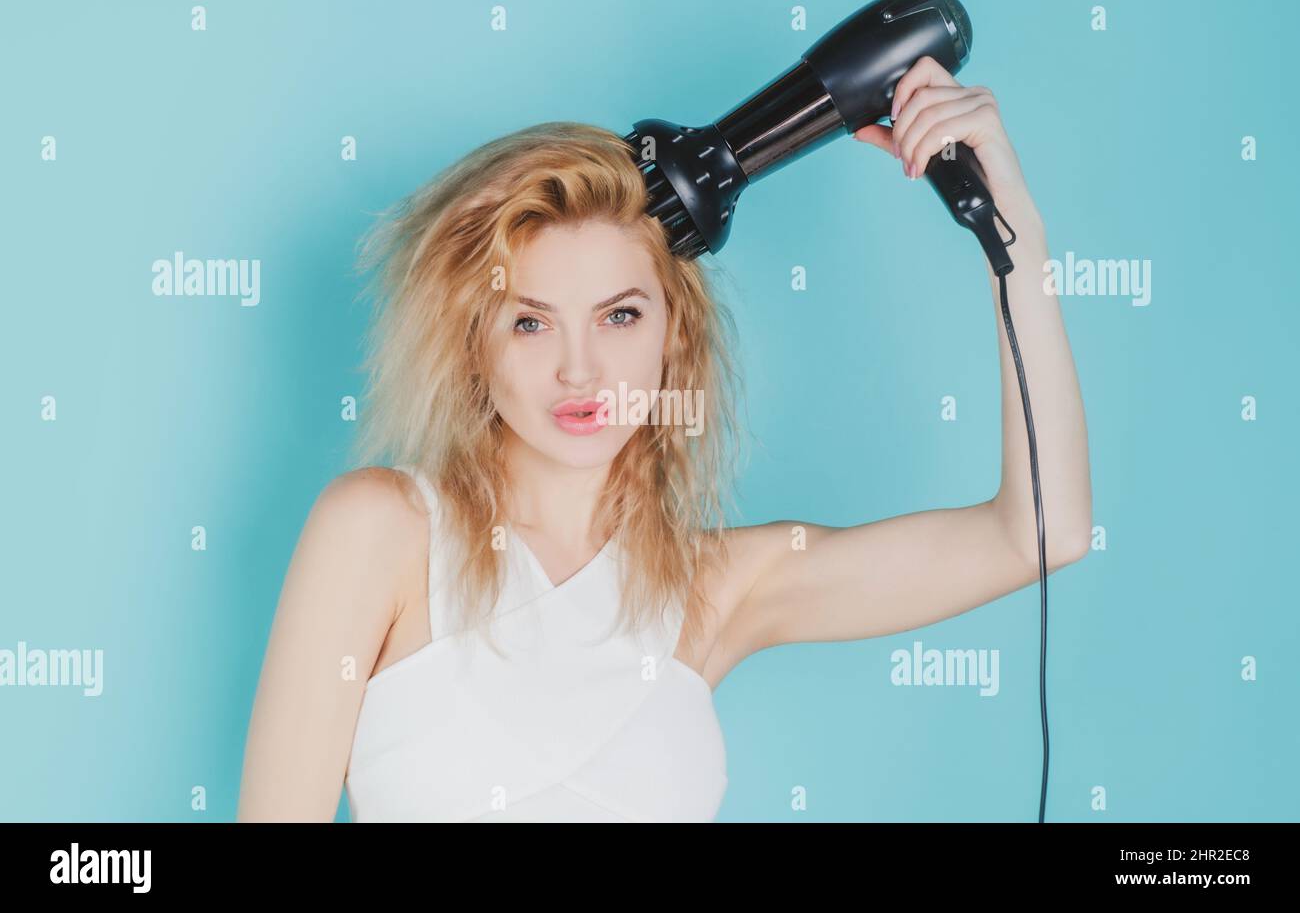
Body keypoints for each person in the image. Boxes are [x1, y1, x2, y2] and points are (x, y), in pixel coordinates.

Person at [236, 57, 1092, 822]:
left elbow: (1039, 533)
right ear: (475, 343)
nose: (581, 371)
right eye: (531, 323)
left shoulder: (714, 589)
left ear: (672, 334)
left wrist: (1015, 234)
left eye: (619, 315)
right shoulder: (382, 531)